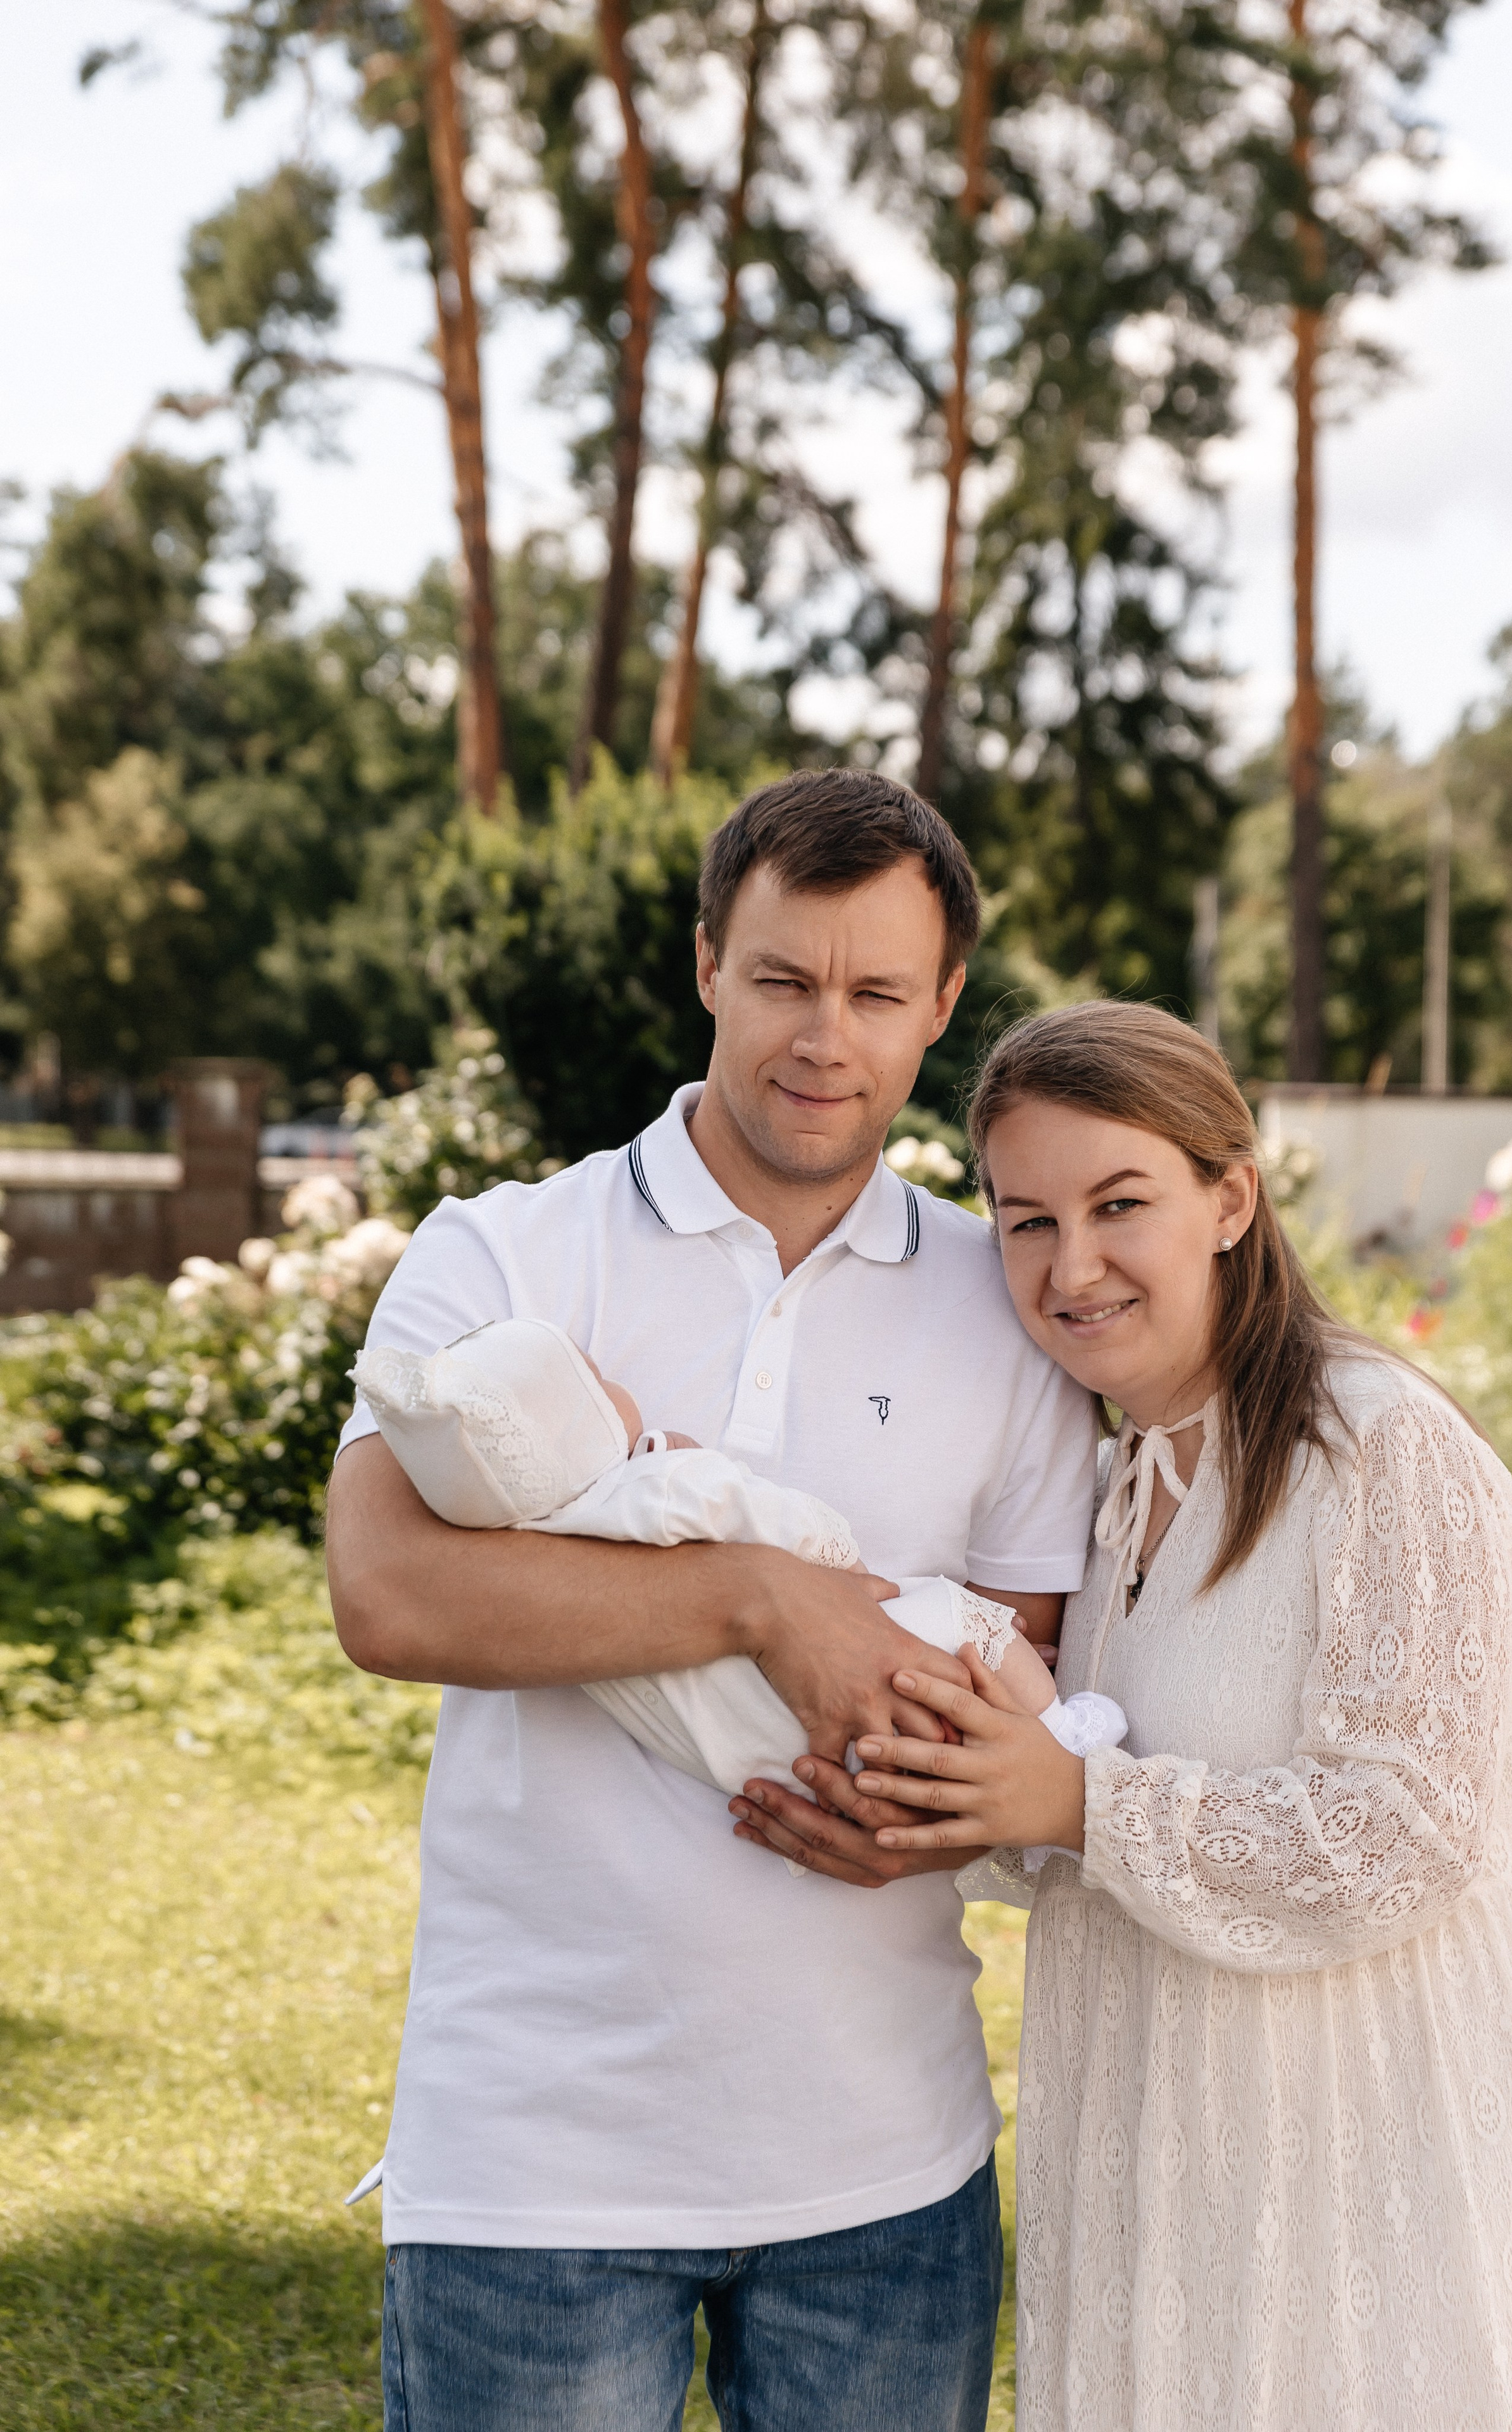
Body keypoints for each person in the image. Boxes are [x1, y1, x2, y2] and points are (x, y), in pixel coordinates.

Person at [325, 770, 1096, 2432]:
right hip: (533, 2163)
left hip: (886, 2171)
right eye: (782, 980)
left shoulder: (1006, 1304)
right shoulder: (505, 1254)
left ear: (942, 1005)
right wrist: (757, 1600)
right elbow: (386, 1595)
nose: (825, 1037)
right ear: (706, 968)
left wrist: (935, 1811)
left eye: (877, 993)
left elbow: (1023, 1670)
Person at [845, 999, 1512, 2430]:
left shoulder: (1383, 1447)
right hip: (1171, 2151)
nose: (1071, 1265)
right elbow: (1087, 1788)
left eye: (1118, 1204)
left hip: (1381, 2170)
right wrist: (953, 1791)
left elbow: (1403, 1828)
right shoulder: (1104, 1488)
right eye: (1026, 1220)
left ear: (1229, 1199)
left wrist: (1074, 1801)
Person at [350, 1314, 1120, 1805]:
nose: (615, 1380)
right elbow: (763, 1516)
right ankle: (1060, 1730)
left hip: (747, 1755)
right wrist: (825, 1568)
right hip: (846, 1678)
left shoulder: (547, 1534)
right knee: (967, 1625)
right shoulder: (655, 1485)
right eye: (598, 1383)